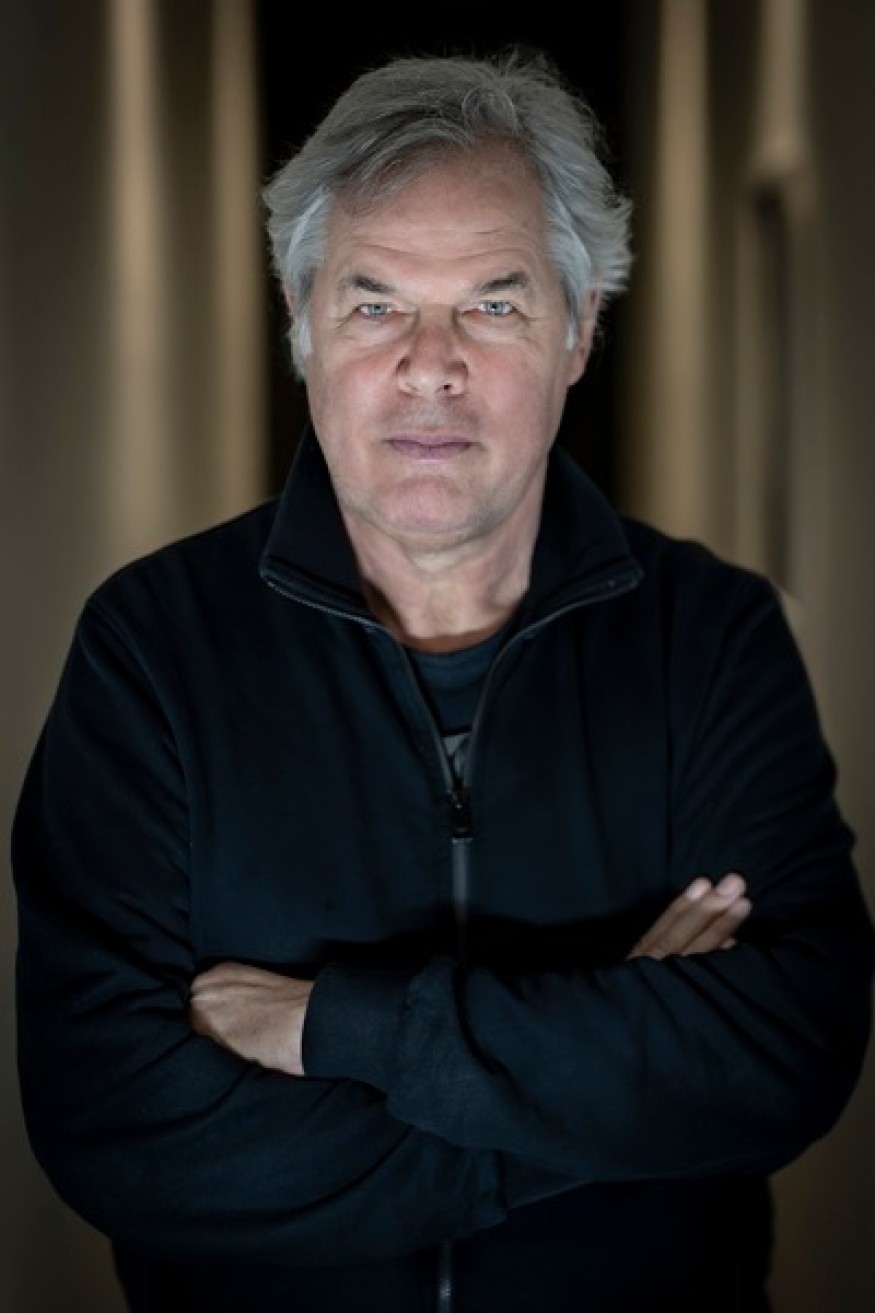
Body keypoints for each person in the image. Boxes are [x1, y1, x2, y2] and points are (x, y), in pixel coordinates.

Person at [11, 47, 874, 1313]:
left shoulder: (711, 635)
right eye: (373, 305)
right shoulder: (150, 648)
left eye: (491, 304)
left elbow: (787, 1047)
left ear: (578, 329)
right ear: (300, 322)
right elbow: (115, 1124)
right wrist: (606, 1092)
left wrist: (334, 1030)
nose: (429, 365)